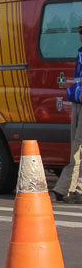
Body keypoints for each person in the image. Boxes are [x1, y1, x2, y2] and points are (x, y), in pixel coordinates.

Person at [53, 21, 82, 204]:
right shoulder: (80, 52)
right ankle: (64, 189)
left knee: (79, 148)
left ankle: (75, 189)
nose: (80, 35)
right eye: (80, 31)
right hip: (77, 102)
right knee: (75, 147)